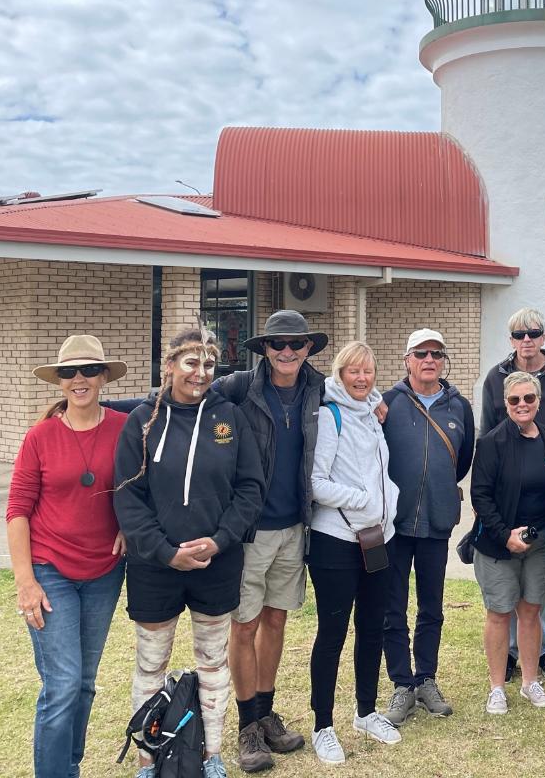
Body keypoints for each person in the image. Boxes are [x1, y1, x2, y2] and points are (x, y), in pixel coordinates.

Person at [113, 327, 266, 778]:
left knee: (213, 662)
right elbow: (127, 496)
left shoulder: (230, 419)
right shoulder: (142, 420)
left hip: (216, 563)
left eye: (209, 365)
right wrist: (164, 551)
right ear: (169, 366)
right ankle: (147, 760)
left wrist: (220, 540)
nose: (200, 374)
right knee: (151, 663)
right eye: (190, 363)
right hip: (154, 566)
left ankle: (211, 755)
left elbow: (250, 489)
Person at [6, 335, 129, 778]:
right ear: (59, 382)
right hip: (49, 570)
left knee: (83, 684)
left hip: (104, 574)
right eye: (69, 372)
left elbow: (142, 486)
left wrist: (130, 528)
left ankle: (68, 767)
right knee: (61, 685)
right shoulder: (40, 436)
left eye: (88, 371)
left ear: (102, 377)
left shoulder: (124, 427)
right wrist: (26, 581)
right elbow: (17, 510)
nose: (79, 379)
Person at [215, 310, 327, 773]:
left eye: (296, 344)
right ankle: (246, 726)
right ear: (264, 348)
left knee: (275, 622)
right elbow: (179, 398)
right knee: (243, 626)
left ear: (307, 348)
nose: (287, 351)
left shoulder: (319, 390)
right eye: (278, 344)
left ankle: (265, 712)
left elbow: (363, 393)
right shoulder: (239, 388)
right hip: (249, 531)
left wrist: (379, 401)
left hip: (294, 527)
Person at [308, 341, 403, 765]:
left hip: (378, 539)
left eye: (368, 371)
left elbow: (381, 471)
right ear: (339, 374)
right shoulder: (330, 416)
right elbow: (315, 482)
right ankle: (322, 726)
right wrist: (363, 499)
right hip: (336, 541)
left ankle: (366, 711)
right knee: (332, 635)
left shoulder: (371, 414)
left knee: (372, 629)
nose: (362, 378)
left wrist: (387, 505)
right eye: (353, 372)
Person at [479, 308, 545, 685]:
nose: (527, 339)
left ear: (543, 335)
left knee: (544, 585)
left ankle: (543, 650)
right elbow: (488, 434)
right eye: (519, 334)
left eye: (533, 332)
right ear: (510, 339)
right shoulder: (496, 377)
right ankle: (509, 653)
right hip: (509, 490)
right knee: (506, 591)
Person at [380, 329, 475, 726]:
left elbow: (464, 459)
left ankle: (426, 679)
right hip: (395, 524)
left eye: (437, 353)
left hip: (437, 520)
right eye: (421, 353)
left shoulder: (460, 407)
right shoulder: (387, 404)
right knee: (392, 607)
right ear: (407, 359)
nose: (429, 359)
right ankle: (402, 683)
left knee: (431, 607)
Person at [470, 371, 545, 715]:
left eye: (529, 398)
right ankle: (497, 687)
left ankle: (530, 681)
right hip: (499, 544)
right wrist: (504, 534)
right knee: (499, 613)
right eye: (515, 400)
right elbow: (480, 496)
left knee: (531, 611)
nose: (522, 405)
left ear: (539, 401)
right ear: (505, 403)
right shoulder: (492, 442)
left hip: (540, 543)